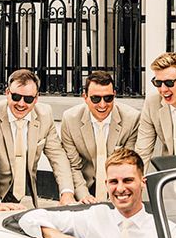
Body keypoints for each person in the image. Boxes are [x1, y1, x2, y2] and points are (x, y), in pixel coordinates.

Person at [19, 148, 176, 238]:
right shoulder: (93, 217)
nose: (120, 188)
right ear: (106, 184)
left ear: (142, 183)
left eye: (128, 180)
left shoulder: (165, 228)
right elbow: (29, 218)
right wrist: (56, 236)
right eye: (114, 182)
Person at [0, 69, 75, 208]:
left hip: (26, 194)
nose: (21, 104)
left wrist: (67, 193)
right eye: (16, 97)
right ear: (7, 93)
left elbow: (57, 156)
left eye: (28, 99)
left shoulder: (45, 115)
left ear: (36, 98)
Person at [60, 71, 140, 203]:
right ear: (85, 97)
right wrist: (84, 196)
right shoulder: (70, 120)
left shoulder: (132, 119)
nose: (102, 105)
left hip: (119, 187)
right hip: (84, 186)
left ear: (114, 95)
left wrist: (116, 196)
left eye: (108, 98)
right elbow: (74, 166)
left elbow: (130, 165)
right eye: (96, 98)